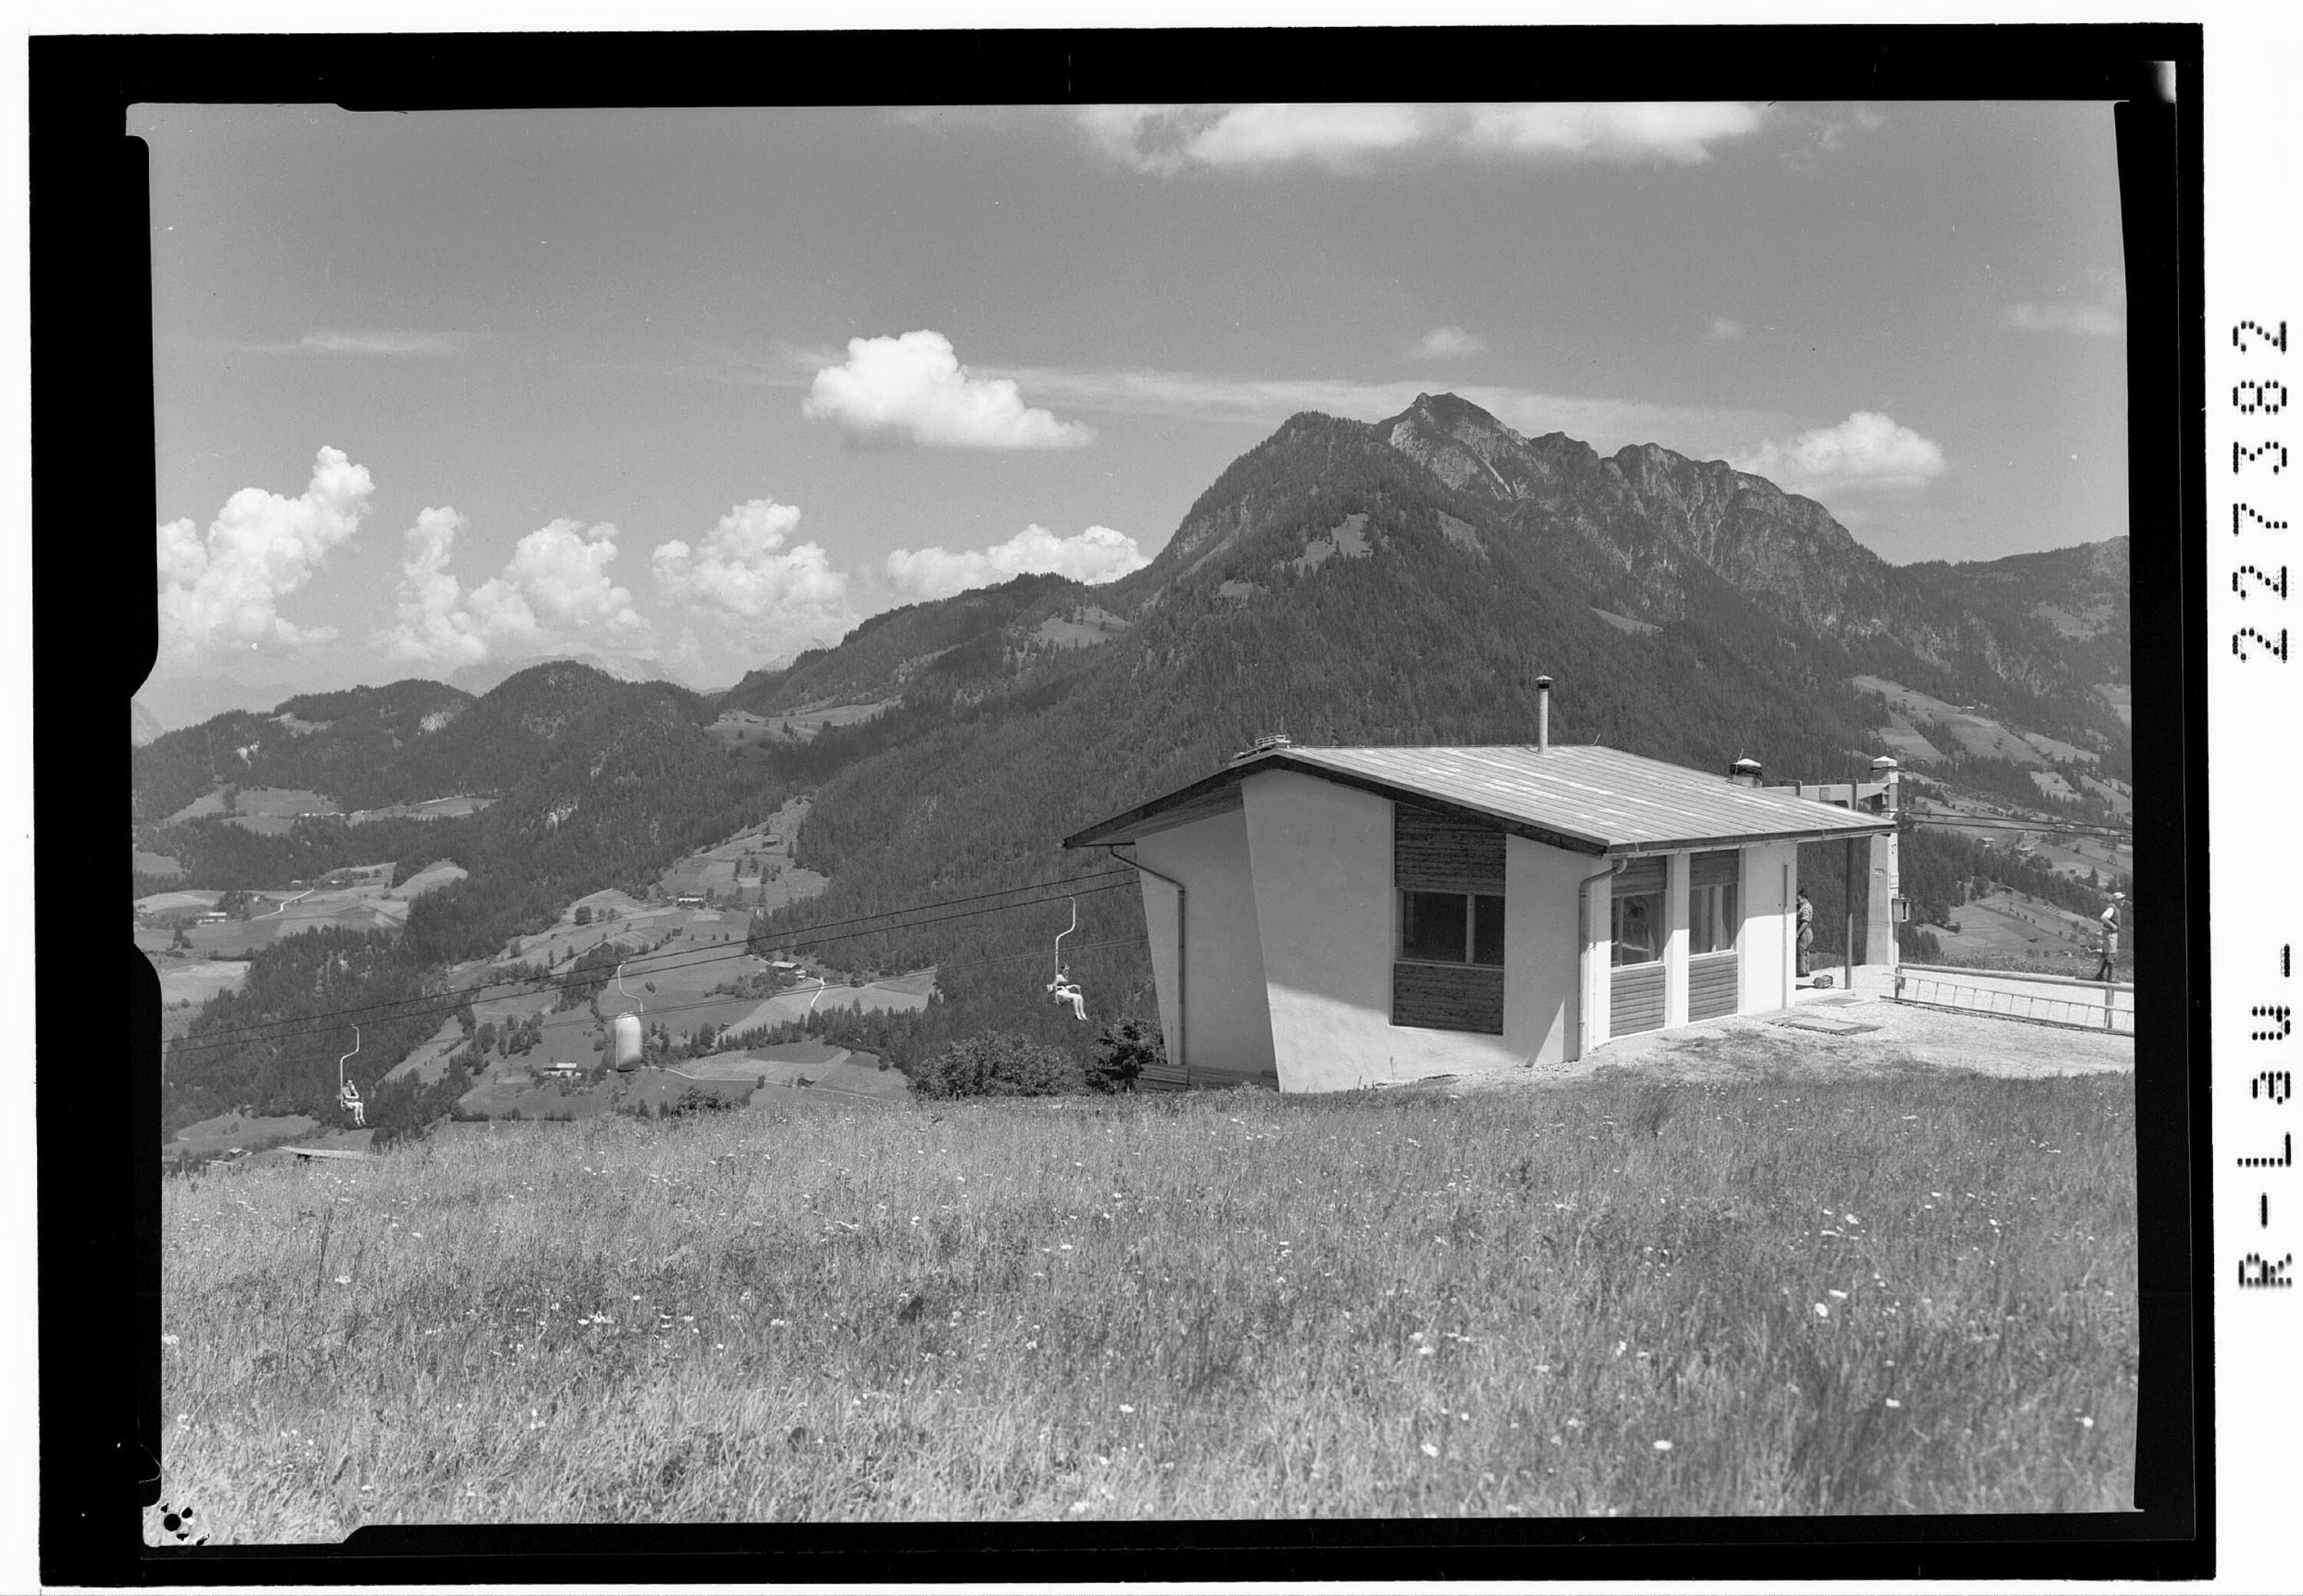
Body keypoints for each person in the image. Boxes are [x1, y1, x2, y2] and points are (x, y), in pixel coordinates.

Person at [2095, 892, 2124, 982]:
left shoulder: (2114, 908)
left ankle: (2100, 975)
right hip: (2110, 934)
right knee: (2111, 954)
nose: (2123, 901)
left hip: (2111, 934)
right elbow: (2103, 917)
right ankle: (2109, 977)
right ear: (2116, 900)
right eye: (2121, 899)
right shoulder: (2112, 908)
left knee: (2109, 955)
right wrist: (2113, 926)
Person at [1795, 888, 1815, 978]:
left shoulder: (1805, 908)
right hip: (1808, 931)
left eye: (1799, 899)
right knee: (1805, 951)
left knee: (1801, 951)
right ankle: (1806, 970)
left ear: (1804, 898)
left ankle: (1802, 971)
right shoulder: (1806, 906)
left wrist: (1798, 933)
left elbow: (1805, 922)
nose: (1798, 901)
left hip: (1805, 931)